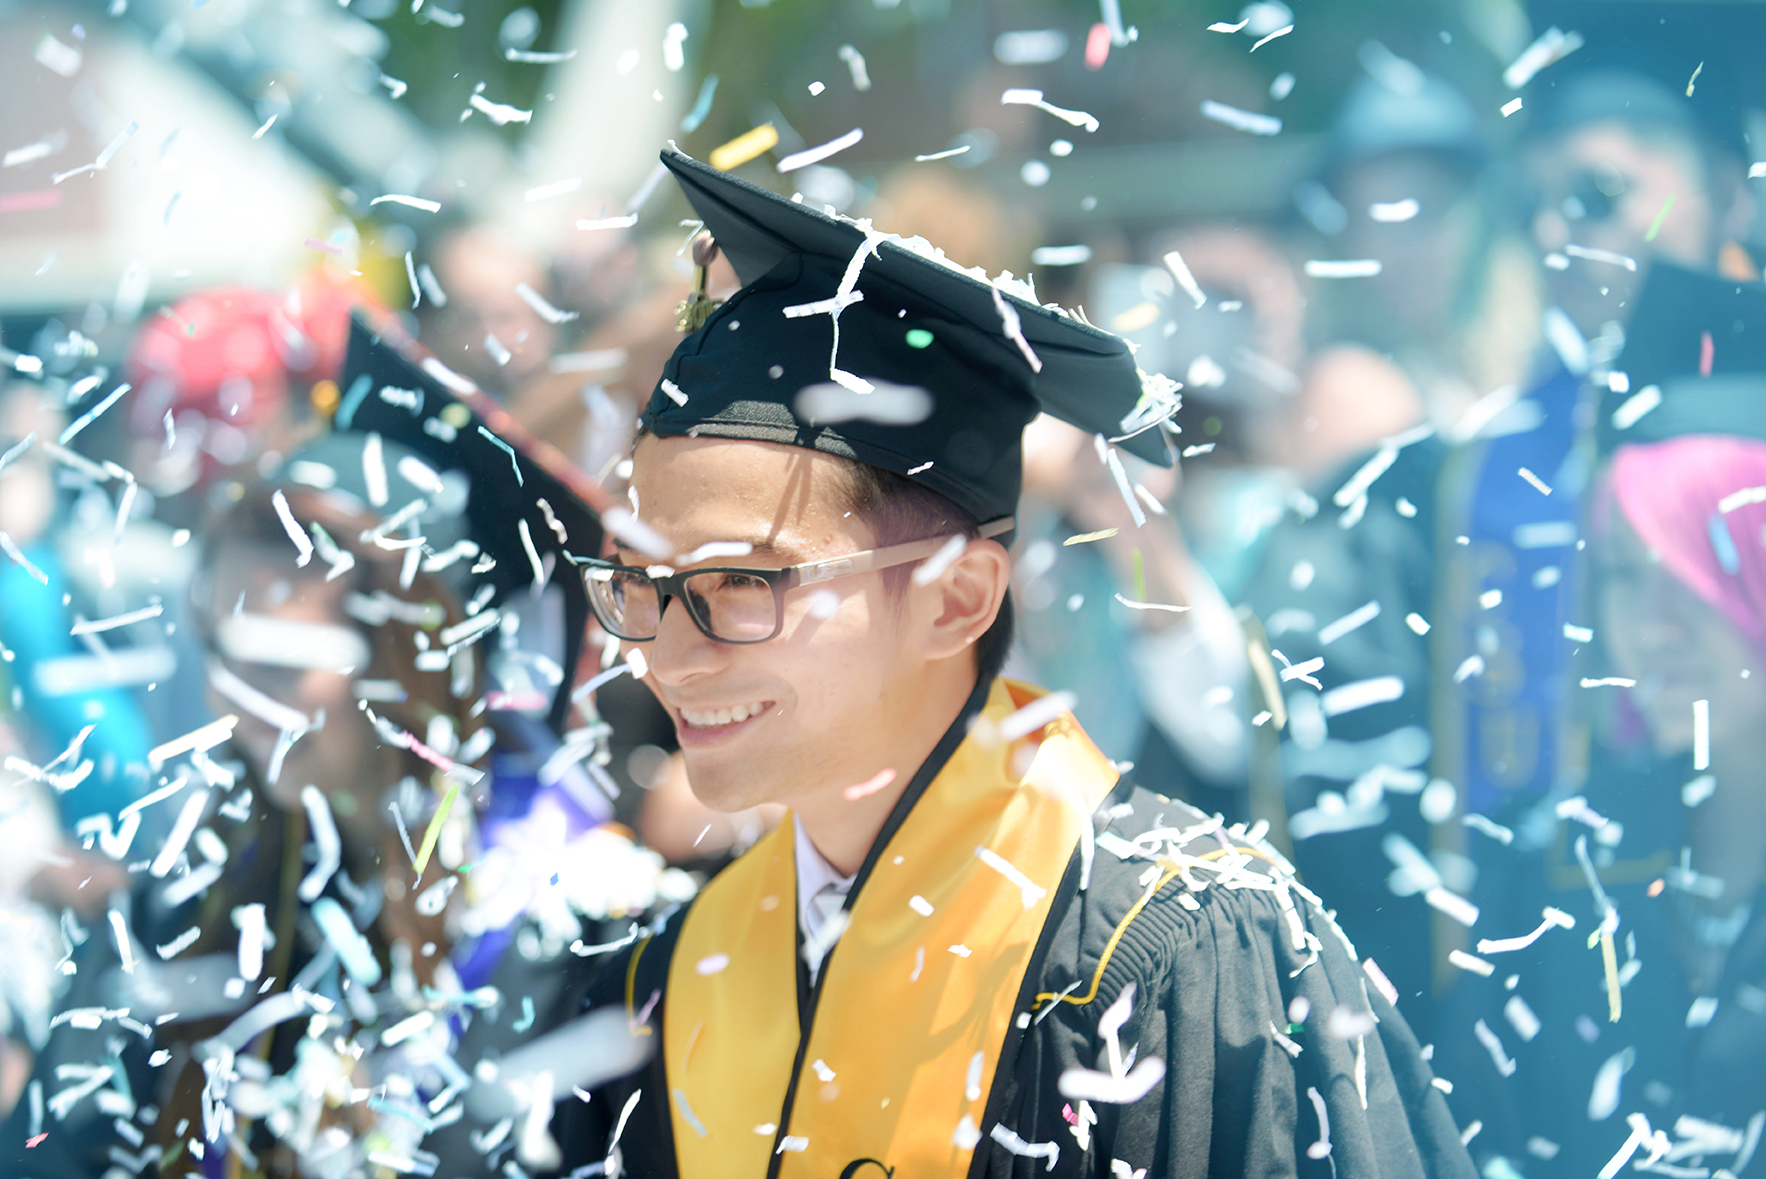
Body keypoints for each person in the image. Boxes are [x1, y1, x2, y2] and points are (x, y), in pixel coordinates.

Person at [531, 148, 1476, 1178]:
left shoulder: (1173, 953)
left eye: (742, 584)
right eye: (639, 580)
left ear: (956, 599)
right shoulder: (670, 979)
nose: (667, 654)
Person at [1440, 433, 1766, 1177]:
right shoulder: (1552, 854)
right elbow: (1471, 1126)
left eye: (1694, 570)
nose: (1651, 623)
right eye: (1624, 573)